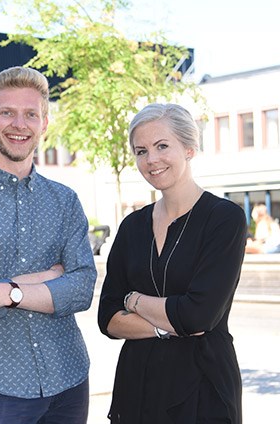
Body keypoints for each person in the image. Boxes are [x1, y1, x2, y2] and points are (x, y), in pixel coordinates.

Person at [0, 66, 97, 424]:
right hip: (0, 387)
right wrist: (51, 277)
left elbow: (82, 289)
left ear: (44, 123)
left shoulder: (65, 200)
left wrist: (3, 290)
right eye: (7, 112)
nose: (19, 124)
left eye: (31, 115)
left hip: (69, 377)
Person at [97, 103, 246, 423]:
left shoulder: (223, 219)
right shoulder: (132, 226)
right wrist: (170, 325)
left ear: (189, 148)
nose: (151, 159)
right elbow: (107, 318)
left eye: (162, 146)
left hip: (203, 389)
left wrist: (132, 300)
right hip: (138, 387)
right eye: (141, 151)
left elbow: (199, 316)